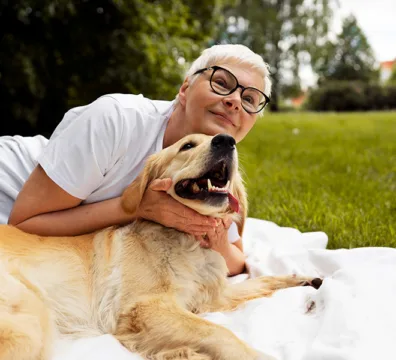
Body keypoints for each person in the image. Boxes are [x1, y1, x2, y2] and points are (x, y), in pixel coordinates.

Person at [0, 44, 272, 276]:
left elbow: (236, 261)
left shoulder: (214, 171)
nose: (235, 101)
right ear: (185, 89)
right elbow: (23, 224)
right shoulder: (116, 120)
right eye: (221, 83)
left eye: (250, 99)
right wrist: (139, 207)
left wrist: (217, 240)